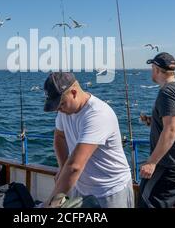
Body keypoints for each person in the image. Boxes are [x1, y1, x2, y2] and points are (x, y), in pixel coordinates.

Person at [43, 72, 134, 208]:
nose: (59, 110)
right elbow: (59, 137)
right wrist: (62, 167)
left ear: (73, 92)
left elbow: (75, 166)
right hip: (81, 187)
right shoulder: (65, 111)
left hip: (111, 190)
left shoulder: (97, 114)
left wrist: (49, 205)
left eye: (61, 104)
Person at [138, 53, 175, 208]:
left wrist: (151, 162)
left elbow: (171, 130)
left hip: (169, 166)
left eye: (152, 68)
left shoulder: (167, 92)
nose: (151, 71)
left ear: (156, 69)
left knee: (147, 202)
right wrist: (151, 121)